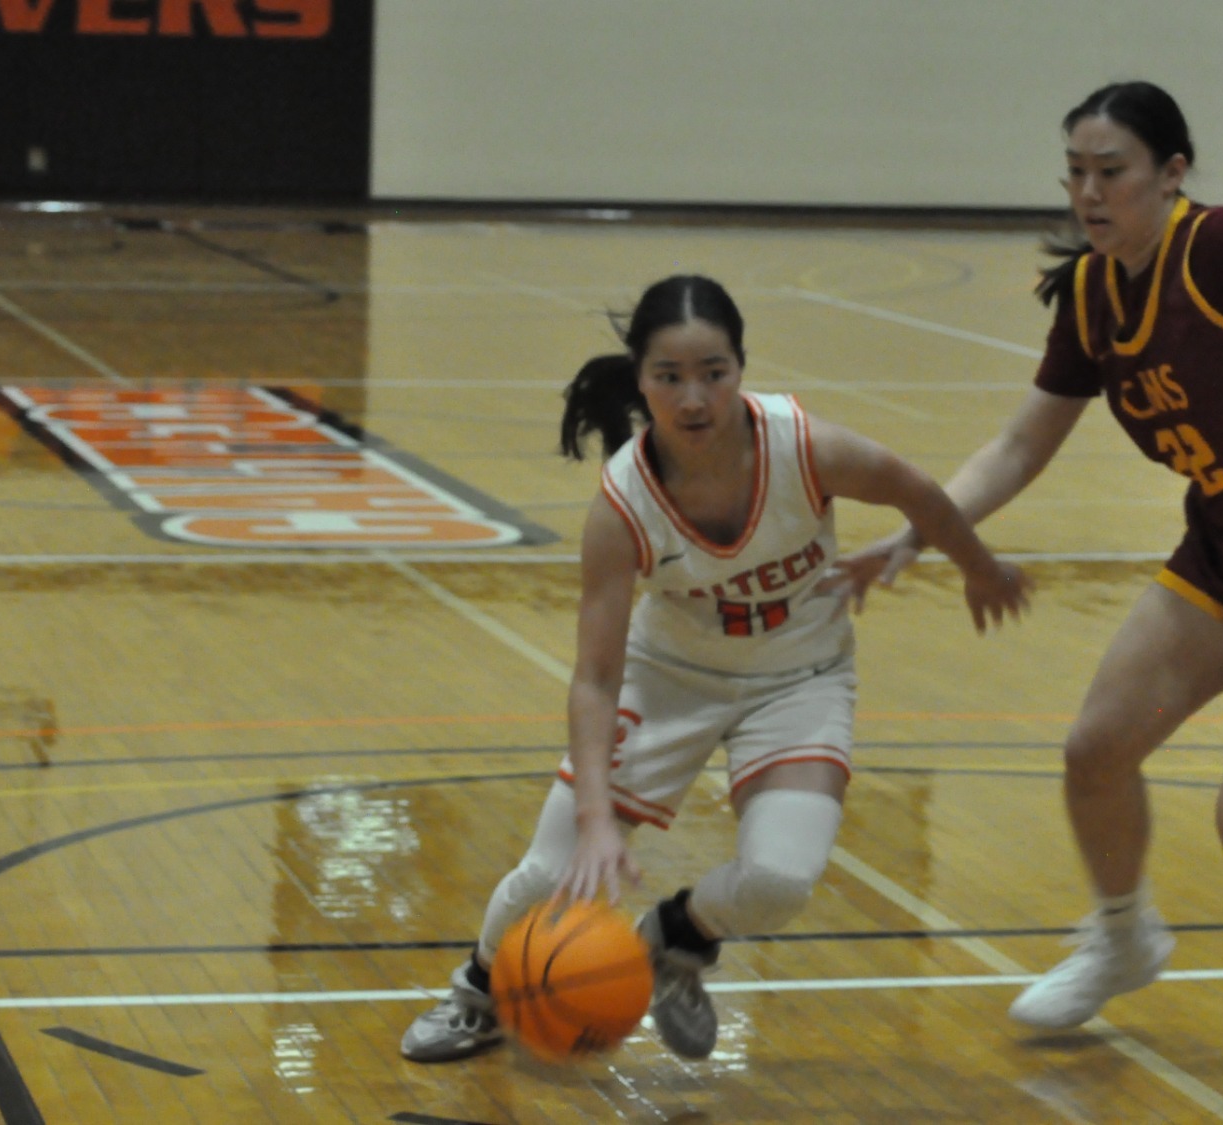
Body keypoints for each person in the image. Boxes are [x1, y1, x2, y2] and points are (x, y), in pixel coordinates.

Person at [846, 80, 1223, 1046]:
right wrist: (926, 527)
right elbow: (1018, 445)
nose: (1088, 192)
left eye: (1110, 171)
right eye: (1075, 173)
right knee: (1095, 748)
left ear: (1170, 174)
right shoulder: (1090, 292)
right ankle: (1122, 936)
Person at [399, 274, 1030, 1063]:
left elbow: (919, 491)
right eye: (670, 378)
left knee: (780, 880)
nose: (694, 398)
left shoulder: (804, 446)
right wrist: (597, 816)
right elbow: (595, 677)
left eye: (714, 373)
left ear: (741, 368)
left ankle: (677, 936)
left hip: (800, 678)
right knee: (548, 873)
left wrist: (976, 565)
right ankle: (478, 990)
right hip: (666, 679)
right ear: (641, 381)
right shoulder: (623, 505)